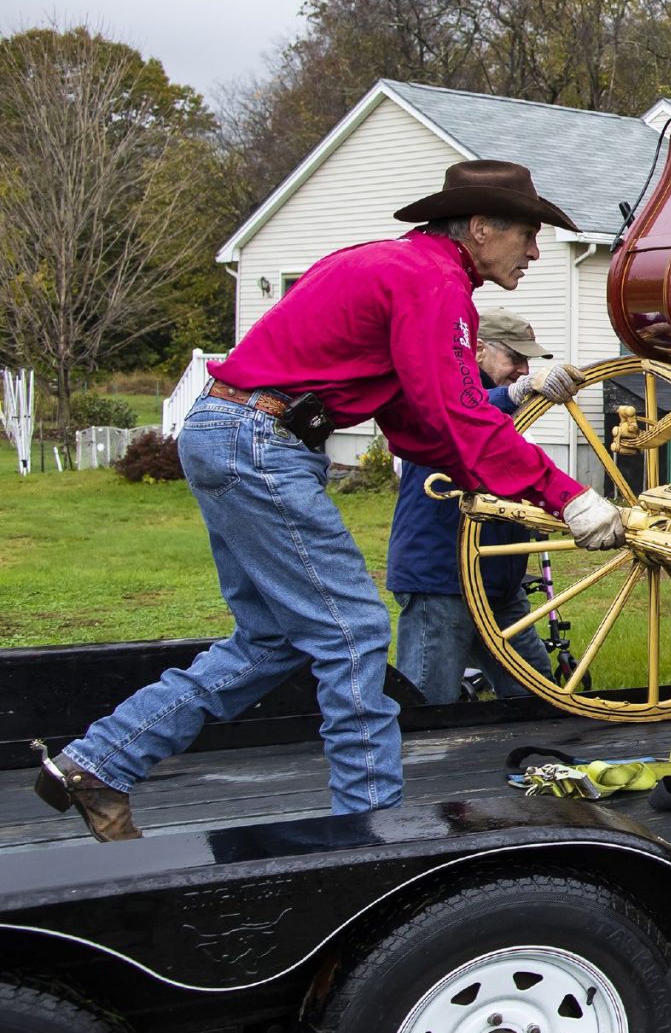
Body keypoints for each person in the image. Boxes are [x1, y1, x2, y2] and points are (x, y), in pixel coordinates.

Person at [31, 161, 626, 840]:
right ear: (482, 227)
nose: (536, 250)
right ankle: (368, 839)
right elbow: (459, 416)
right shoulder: (432, 283)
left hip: (229, 433)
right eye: (527, 233)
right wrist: (569, 495)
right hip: (261, 441)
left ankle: (99, 763)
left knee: (271, 641)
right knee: (355, 631)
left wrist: (517, 486)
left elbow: (416, 425)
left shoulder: (398, 267)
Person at [388, 308, 580, 704]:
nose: (523, 369)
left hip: (499, 586)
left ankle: (529, 764)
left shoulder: (503, 411)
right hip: (442, 582)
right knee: (429, 705)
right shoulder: (447, 391)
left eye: (529, 361)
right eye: (515, 357)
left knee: (535, 696)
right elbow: (461, 415)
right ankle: (420, 768)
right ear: (477, 351)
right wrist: (513, 393)